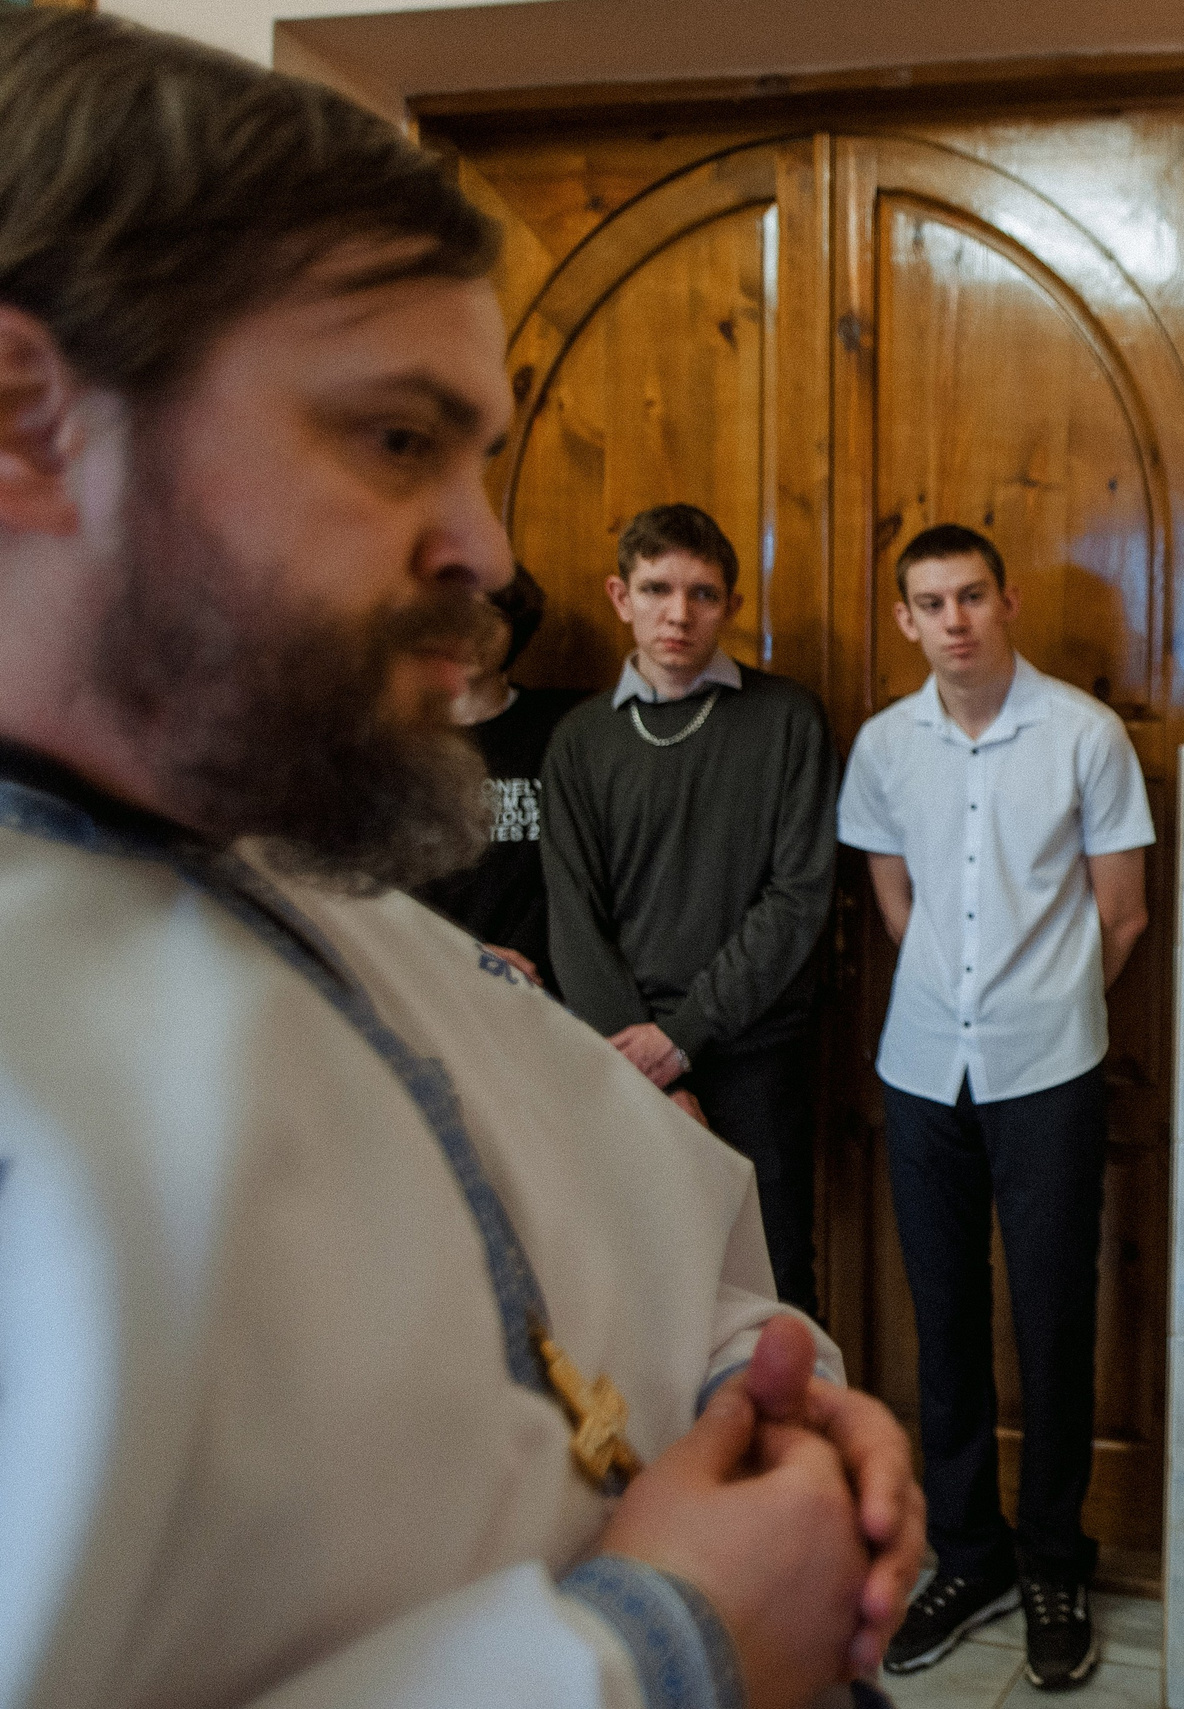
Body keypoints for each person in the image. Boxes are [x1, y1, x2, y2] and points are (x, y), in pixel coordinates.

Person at [0, 15, 919, 1708]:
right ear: (28, 418)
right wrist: (662, 1642)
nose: (488, 553)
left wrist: (775, 1405)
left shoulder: (329, 887)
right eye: (393, 440)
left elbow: (685, 1250)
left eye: (479, 454)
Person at [836, 524, 1154, 1691]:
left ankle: (1056, 1558)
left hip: (1048, 1070)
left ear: (1006, 599)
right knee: (943, 1316)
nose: (954, 618)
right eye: (930, 601)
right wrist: (952, 998)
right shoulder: (884, 744)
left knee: (1056, 1317)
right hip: (921, 1069)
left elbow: (1121, 914)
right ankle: (968, 1554)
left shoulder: (1085, 734)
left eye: (972, 593)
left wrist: (1039, 1005)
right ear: (907, 621)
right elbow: (891, 889)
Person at [542, 504, 837, 1313]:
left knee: (771, 1287)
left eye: (703, 593)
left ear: (733, 606)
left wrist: (686, 1035)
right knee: (642, 1293)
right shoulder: (579, 742)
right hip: (622, 1057)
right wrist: (648, 1062)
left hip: (754, 1053)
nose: (679, 613)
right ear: (619, 594)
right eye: (657, 588)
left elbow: (797, 896)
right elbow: (575, 913)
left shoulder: (787, 720)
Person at [410, 567, 582, 990]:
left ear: (514, 629)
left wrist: (526, 951)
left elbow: (583, 870)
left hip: (538, 977)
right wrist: (447, 957)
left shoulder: (563, 727)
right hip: (421, 974)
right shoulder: (392, 739)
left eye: (486, 618)